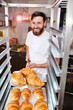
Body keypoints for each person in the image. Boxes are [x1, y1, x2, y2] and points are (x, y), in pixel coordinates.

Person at [25, 11, 59, 82]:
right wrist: (27, 53)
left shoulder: (52, 39)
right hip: (30, 74)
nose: (36, 26)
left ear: (44, 23)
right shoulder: (29, 34)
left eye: (39, 23)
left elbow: (56, 63)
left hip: (44, 77)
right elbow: (27, 44)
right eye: (33, 23)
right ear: (31, 22)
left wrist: (37, 65)